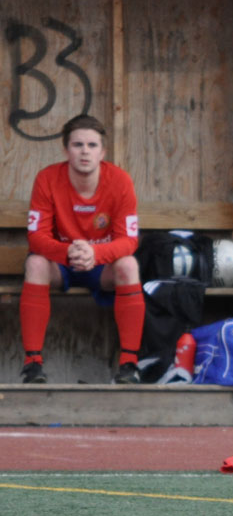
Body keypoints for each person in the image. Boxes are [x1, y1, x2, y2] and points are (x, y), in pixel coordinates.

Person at [19, 114, 144, 385]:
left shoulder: (120, 181)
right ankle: (32, 364)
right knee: (35, 264)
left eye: (92, 145)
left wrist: (95, 254)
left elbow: (128, 240)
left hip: (100, 266)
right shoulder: (47, 178)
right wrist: (67, 253)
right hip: (61, 263)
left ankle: (129, 364)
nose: (85, 151)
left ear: (103, 152)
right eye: (77, 145)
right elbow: (36, 237)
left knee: (129, 265)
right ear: (66, 150)